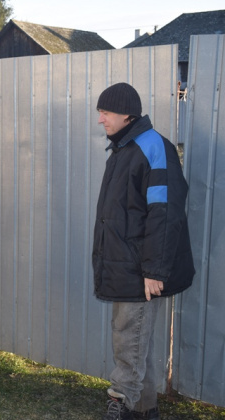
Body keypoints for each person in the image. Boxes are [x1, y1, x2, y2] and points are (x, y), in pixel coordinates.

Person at [92, 82, 195, 420]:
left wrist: (154, 270)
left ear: (126, 114)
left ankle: (120, 406)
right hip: (128, 265)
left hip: (139, 269)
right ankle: (144, 409)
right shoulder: (124, 147)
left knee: (128, 342)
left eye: (105, 113)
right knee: (138, 344)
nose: (100, 120)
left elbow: (164, 213)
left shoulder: (153, 147)